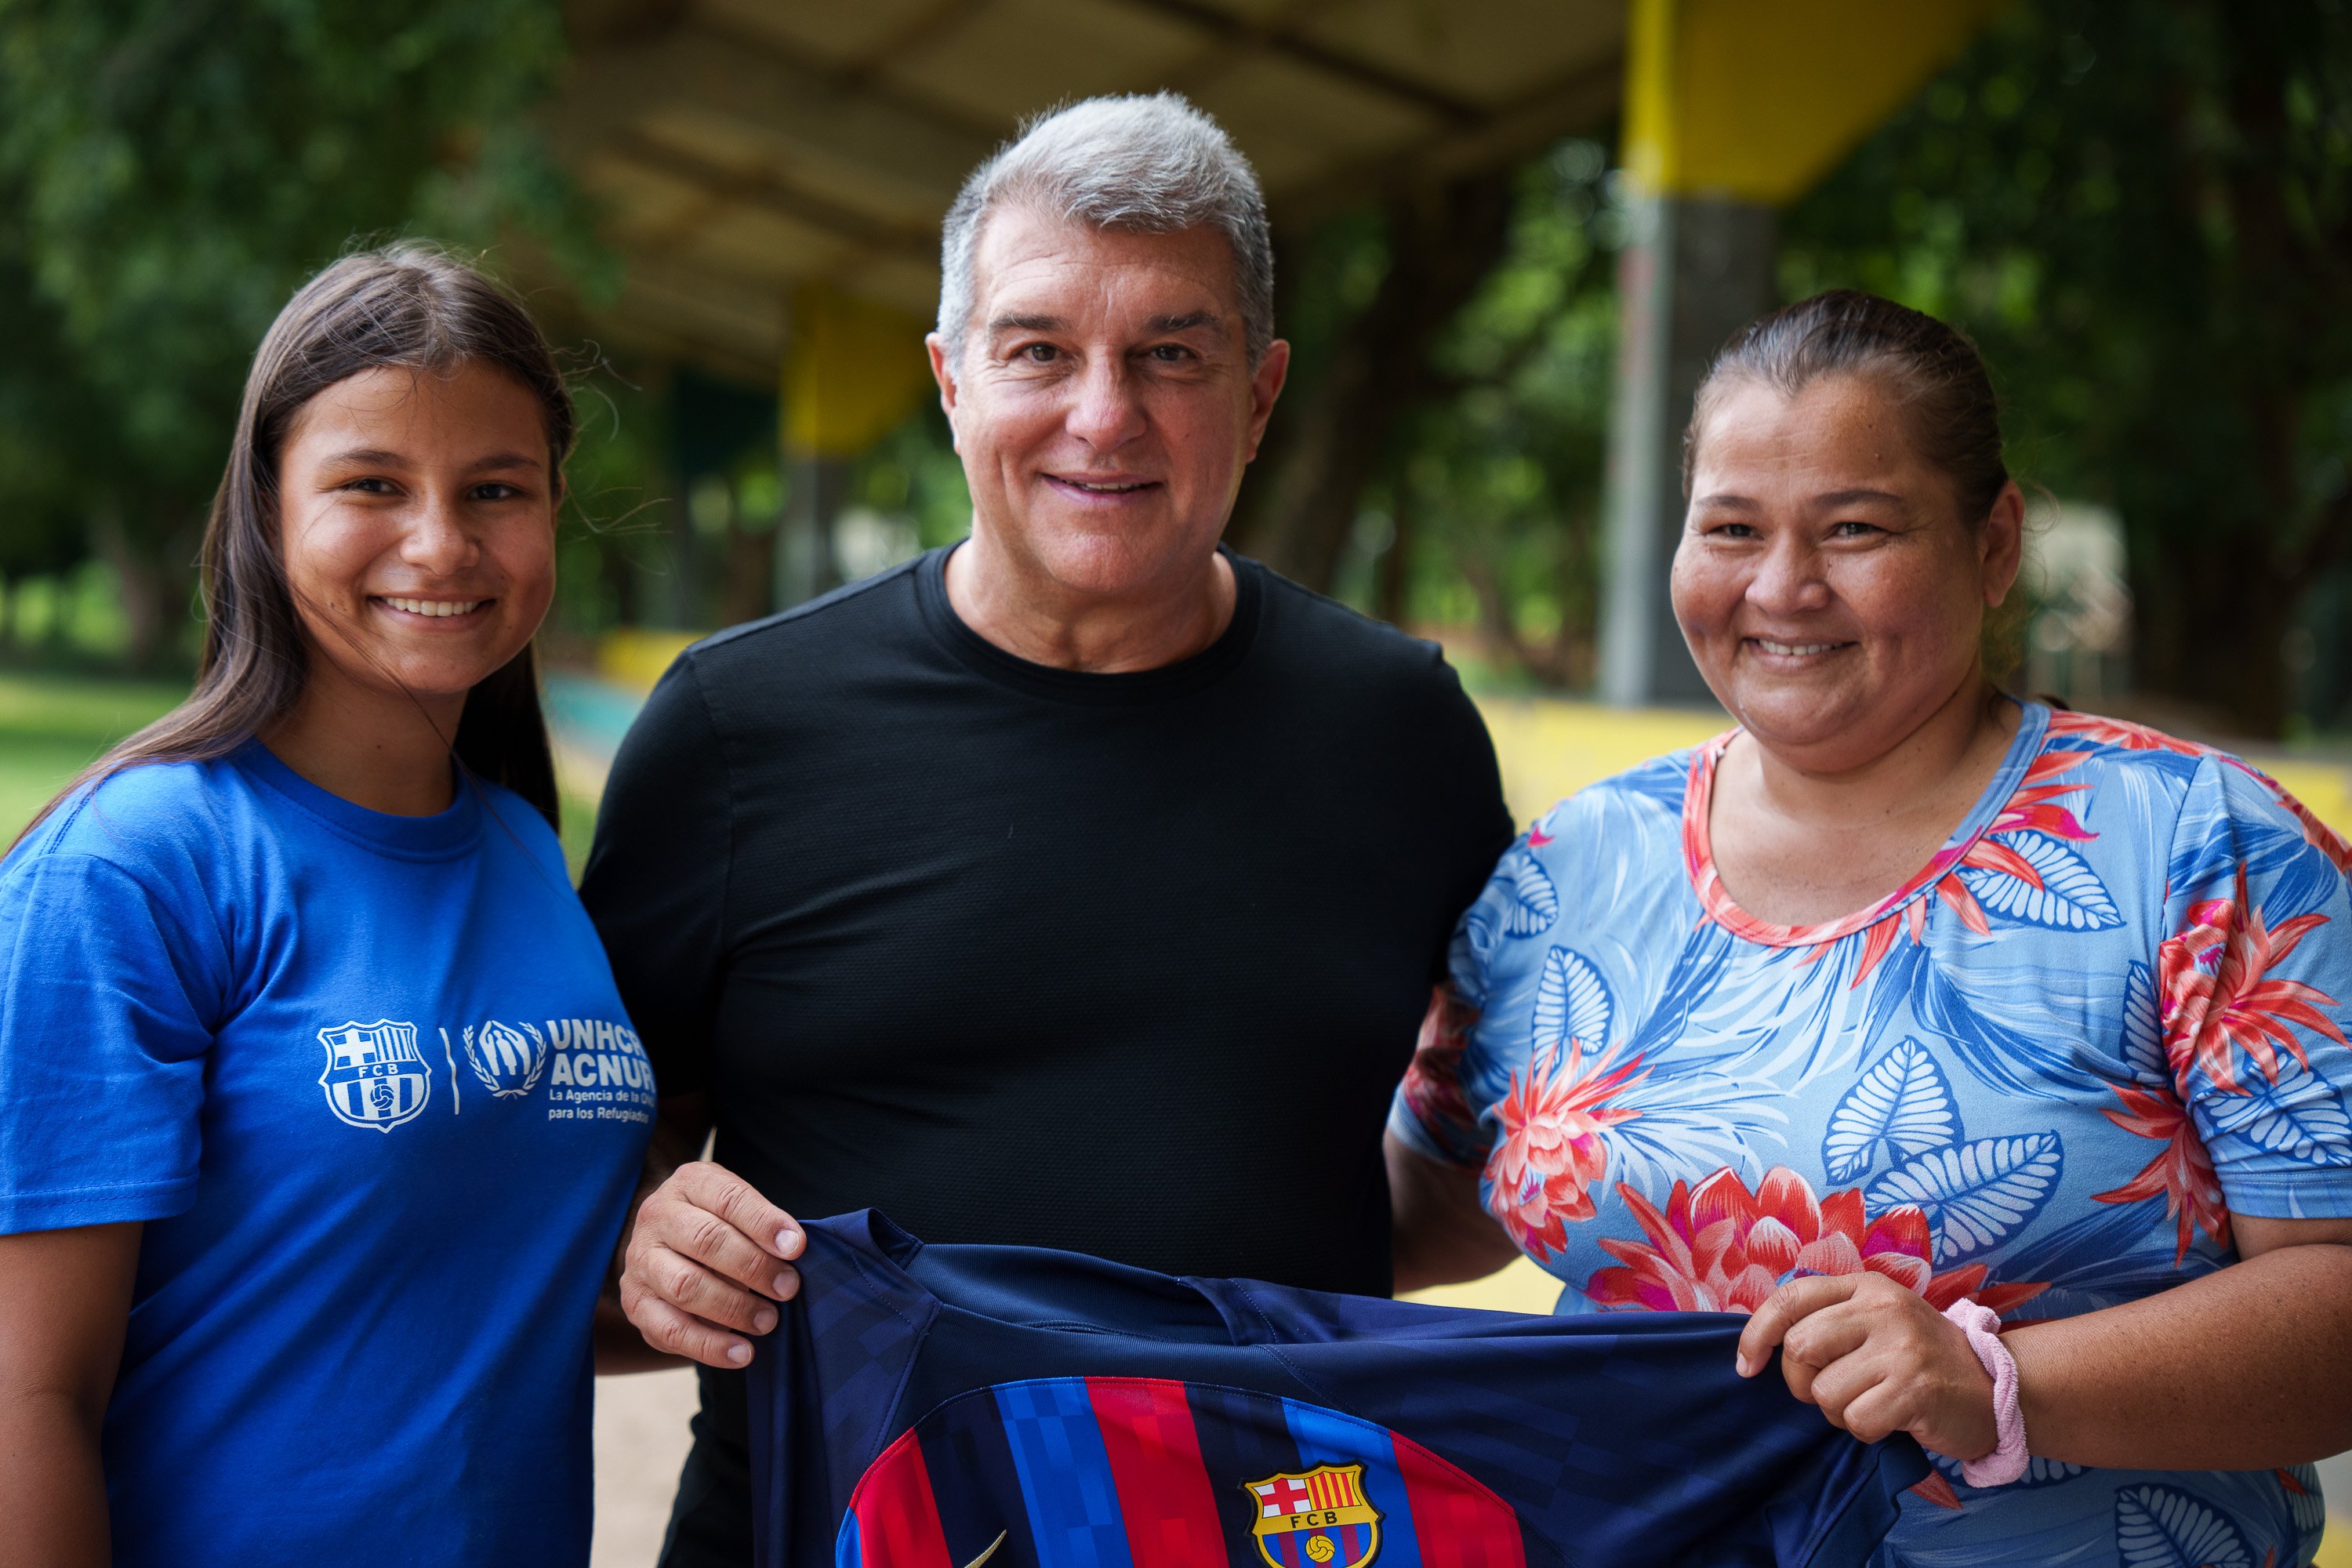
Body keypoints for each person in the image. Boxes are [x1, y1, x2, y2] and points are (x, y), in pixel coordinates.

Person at [582, 93, 1512, 1564]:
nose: (1103, 414)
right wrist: (636, 1237)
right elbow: (577, 1155)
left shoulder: (1400, 733)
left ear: (1261, 395)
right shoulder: (735, 731)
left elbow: (1529, 1149)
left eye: (1172, 355)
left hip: (1279, 1537)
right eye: (1040, 351)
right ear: (951, 380)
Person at [1388, 289, 2352, 1565]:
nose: (1783, 587)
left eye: (1855, 528)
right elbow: (1424, 1207)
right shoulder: (1572, 867)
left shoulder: (2199, 852)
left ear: (1994, 543)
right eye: (1731, 527)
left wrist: (2001, 1382)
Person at [0, 246, 661, 1567]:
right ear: (263, 503)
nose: (441, 543)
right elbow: (28, 1403)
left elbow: (496, 1293)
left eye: (495, 490)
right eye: (371, 484)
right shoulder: (132, 871)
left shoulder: (527, 849)